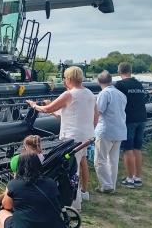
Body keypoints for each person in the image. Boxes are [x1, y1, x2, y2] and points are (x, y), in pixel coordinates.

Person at [26, 66, 99, 212]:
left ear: (70, 79)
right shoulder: (90, 94)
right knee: (75, 166)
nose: (65, 81)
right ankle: (72, 200)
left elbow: (47, 110)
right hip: (86, 137)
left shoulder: (69, 94)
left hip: (72, 138)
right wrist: (89, 130)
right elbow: (95, 115)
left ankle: (73, 205)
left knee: (71, 171)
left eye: (65, 78)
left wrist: (34, 105)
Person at [0, 152, 64, 228]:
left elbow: (7, 206)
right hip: (54, 225)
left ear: (19, 166)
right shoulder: (51, 182)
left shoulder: (14, 184)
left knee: (1, 213)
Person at [114, 62, 147, 188]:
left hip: (129, 120)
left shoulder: (120, 84)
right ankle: (137, 178)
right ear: (130, 71)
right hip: (142, 118)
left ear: (119, 72)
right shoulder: (138, 84)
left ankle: (129, 179)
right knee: (137, 148)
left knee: (128, 149)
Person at [94, 70, 127, 193]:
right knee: (113, 160)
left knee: (100, 159)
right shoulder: (120, 94)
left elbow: (99, 112)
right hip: (119, 130)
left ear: (99, 81)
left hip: (106, 130)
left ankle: (106, 185)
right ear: (110, 80)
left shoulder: (104, 94)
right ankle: (111, 184)